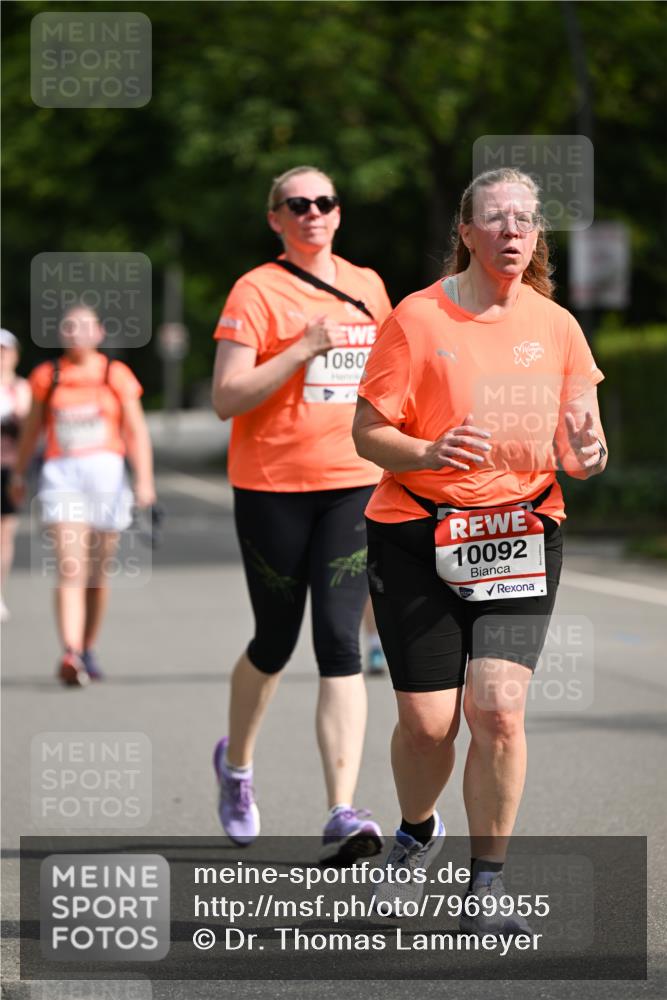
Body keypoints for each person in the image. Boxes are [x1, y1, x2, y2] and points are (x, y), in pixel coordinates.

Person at [352, 167, 607, 932]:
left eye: (523, 218)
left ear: (536, 236)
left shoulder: (556, 326)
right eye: (494, 217)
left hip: (519, 534)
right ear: (465, 232)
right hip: (414, 532)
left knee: (496, 709)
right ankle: (413, 833)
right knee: (428, 725)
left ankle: (485, 886)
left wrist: (589, 453)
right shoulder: (416, 318)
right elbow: (366, 433)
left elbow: (581, 446)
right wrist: (427, 452)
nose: (510, 230)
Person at [211, 165, 392, 862]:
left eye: (324, 201)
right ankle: (236, 766)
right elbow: (227, 397)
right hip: (272, 486)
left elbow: (388, 381)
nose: (313, 211)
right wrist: (301, 349)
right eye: (298, 204)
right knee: (274, 640)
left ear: (338, 213)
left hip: (354, 481)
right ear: (276, 219)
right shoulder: (255, 291)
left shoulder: (369, 286)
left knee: (341, 641)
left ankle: (343, 809)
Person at [10, 303, 156, 685]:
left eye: (83, 326)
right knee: (70, 568)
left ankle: (88, 647)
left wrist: (145, 481)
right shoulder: (48, 376)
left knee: (96, 574)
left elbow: (135, 431)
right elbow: (31, 431)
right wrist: (18, 473)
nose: (75, 333)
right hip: (62, 474)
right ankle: (70, 652)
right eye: (69, 327)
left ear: (99, 333)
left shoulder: (115, 374)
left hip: (106, 474)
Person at [0, 329, 32, 621]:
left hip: (8, 467)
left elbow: (30, 430)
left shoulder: (22, 389)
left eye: (4, 351)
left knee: (5, 533)